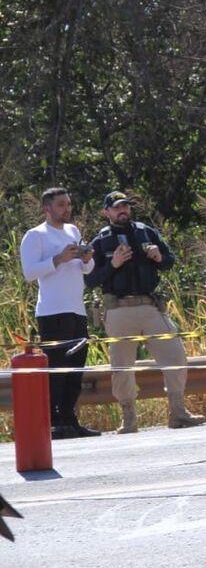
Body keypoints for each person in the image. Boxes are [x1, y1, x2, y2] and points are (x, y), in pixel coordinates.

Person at [85, 191, 206, 433]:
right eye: (117, 207)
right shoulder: (99, 241)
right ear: (106, 212)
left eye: (126, 207)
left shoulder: (146, 231)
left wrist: (159, 257)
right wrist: (113, 264)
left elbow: (170, 261)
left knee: (175, 356)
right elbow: (90, 279)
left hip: (150, 306)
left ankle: (178, 412)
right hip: (118, 310)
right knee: (121, 366)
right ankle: (129, 418)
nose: (123, 211)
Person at [19, 187, 101, 439]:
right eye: (61, 205)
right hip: (53, 312)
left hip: (76, 309)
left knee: (76, 369)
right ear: (47, 208)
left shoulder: (73, 231)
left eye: (68, 204)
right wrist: (58, 259)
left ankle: (69, 418)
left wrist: (86, 258)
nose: (67, 209)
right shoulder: (35, 236)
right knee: (57, 368)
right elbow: (29, 273)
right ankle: (54, 421)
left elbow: (86, 269)